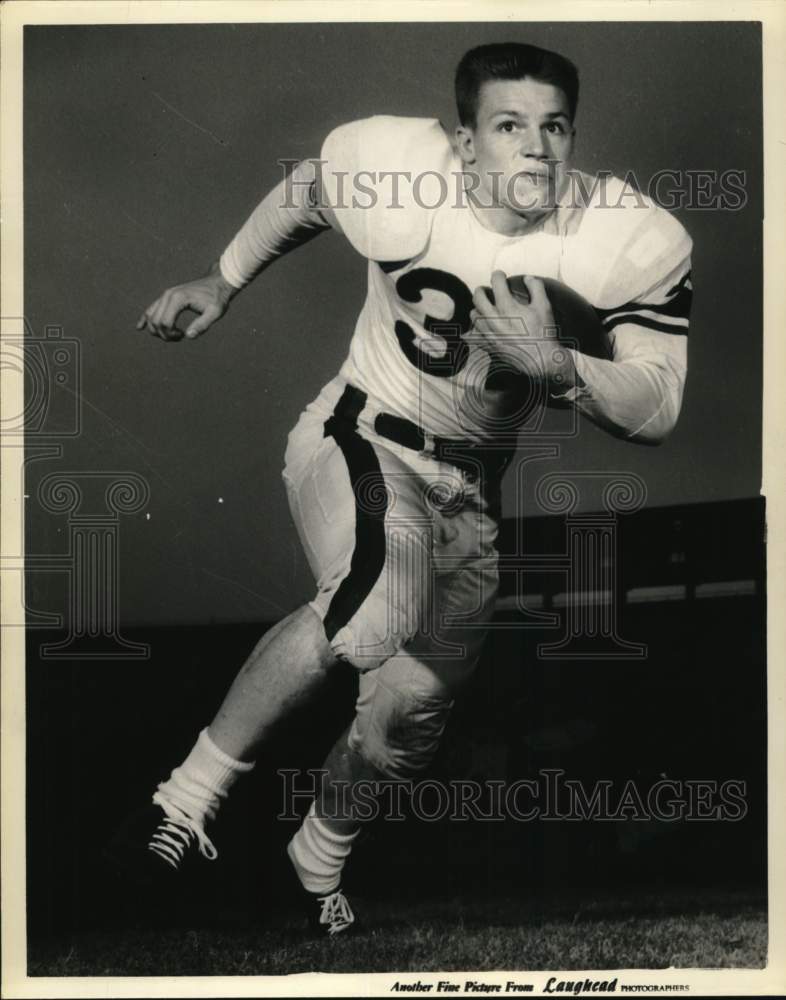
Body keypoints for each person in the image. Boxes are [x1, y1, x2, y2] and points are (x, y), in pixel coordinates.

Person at [115, 42, 692, 936]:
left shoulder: (623, 235)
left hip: (469, 491)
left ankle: (318, 853)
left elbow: (657, 406)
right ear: (464, 143)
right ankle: (186, 797)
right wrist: (221, 280)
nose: (535, 150)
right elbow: (307, 192)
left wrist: (559, 365)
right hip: (363, 435)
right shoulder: (400, 170)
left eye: (553, 128)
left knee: (412, 708)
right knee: (376, 608)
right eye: (508, 127)